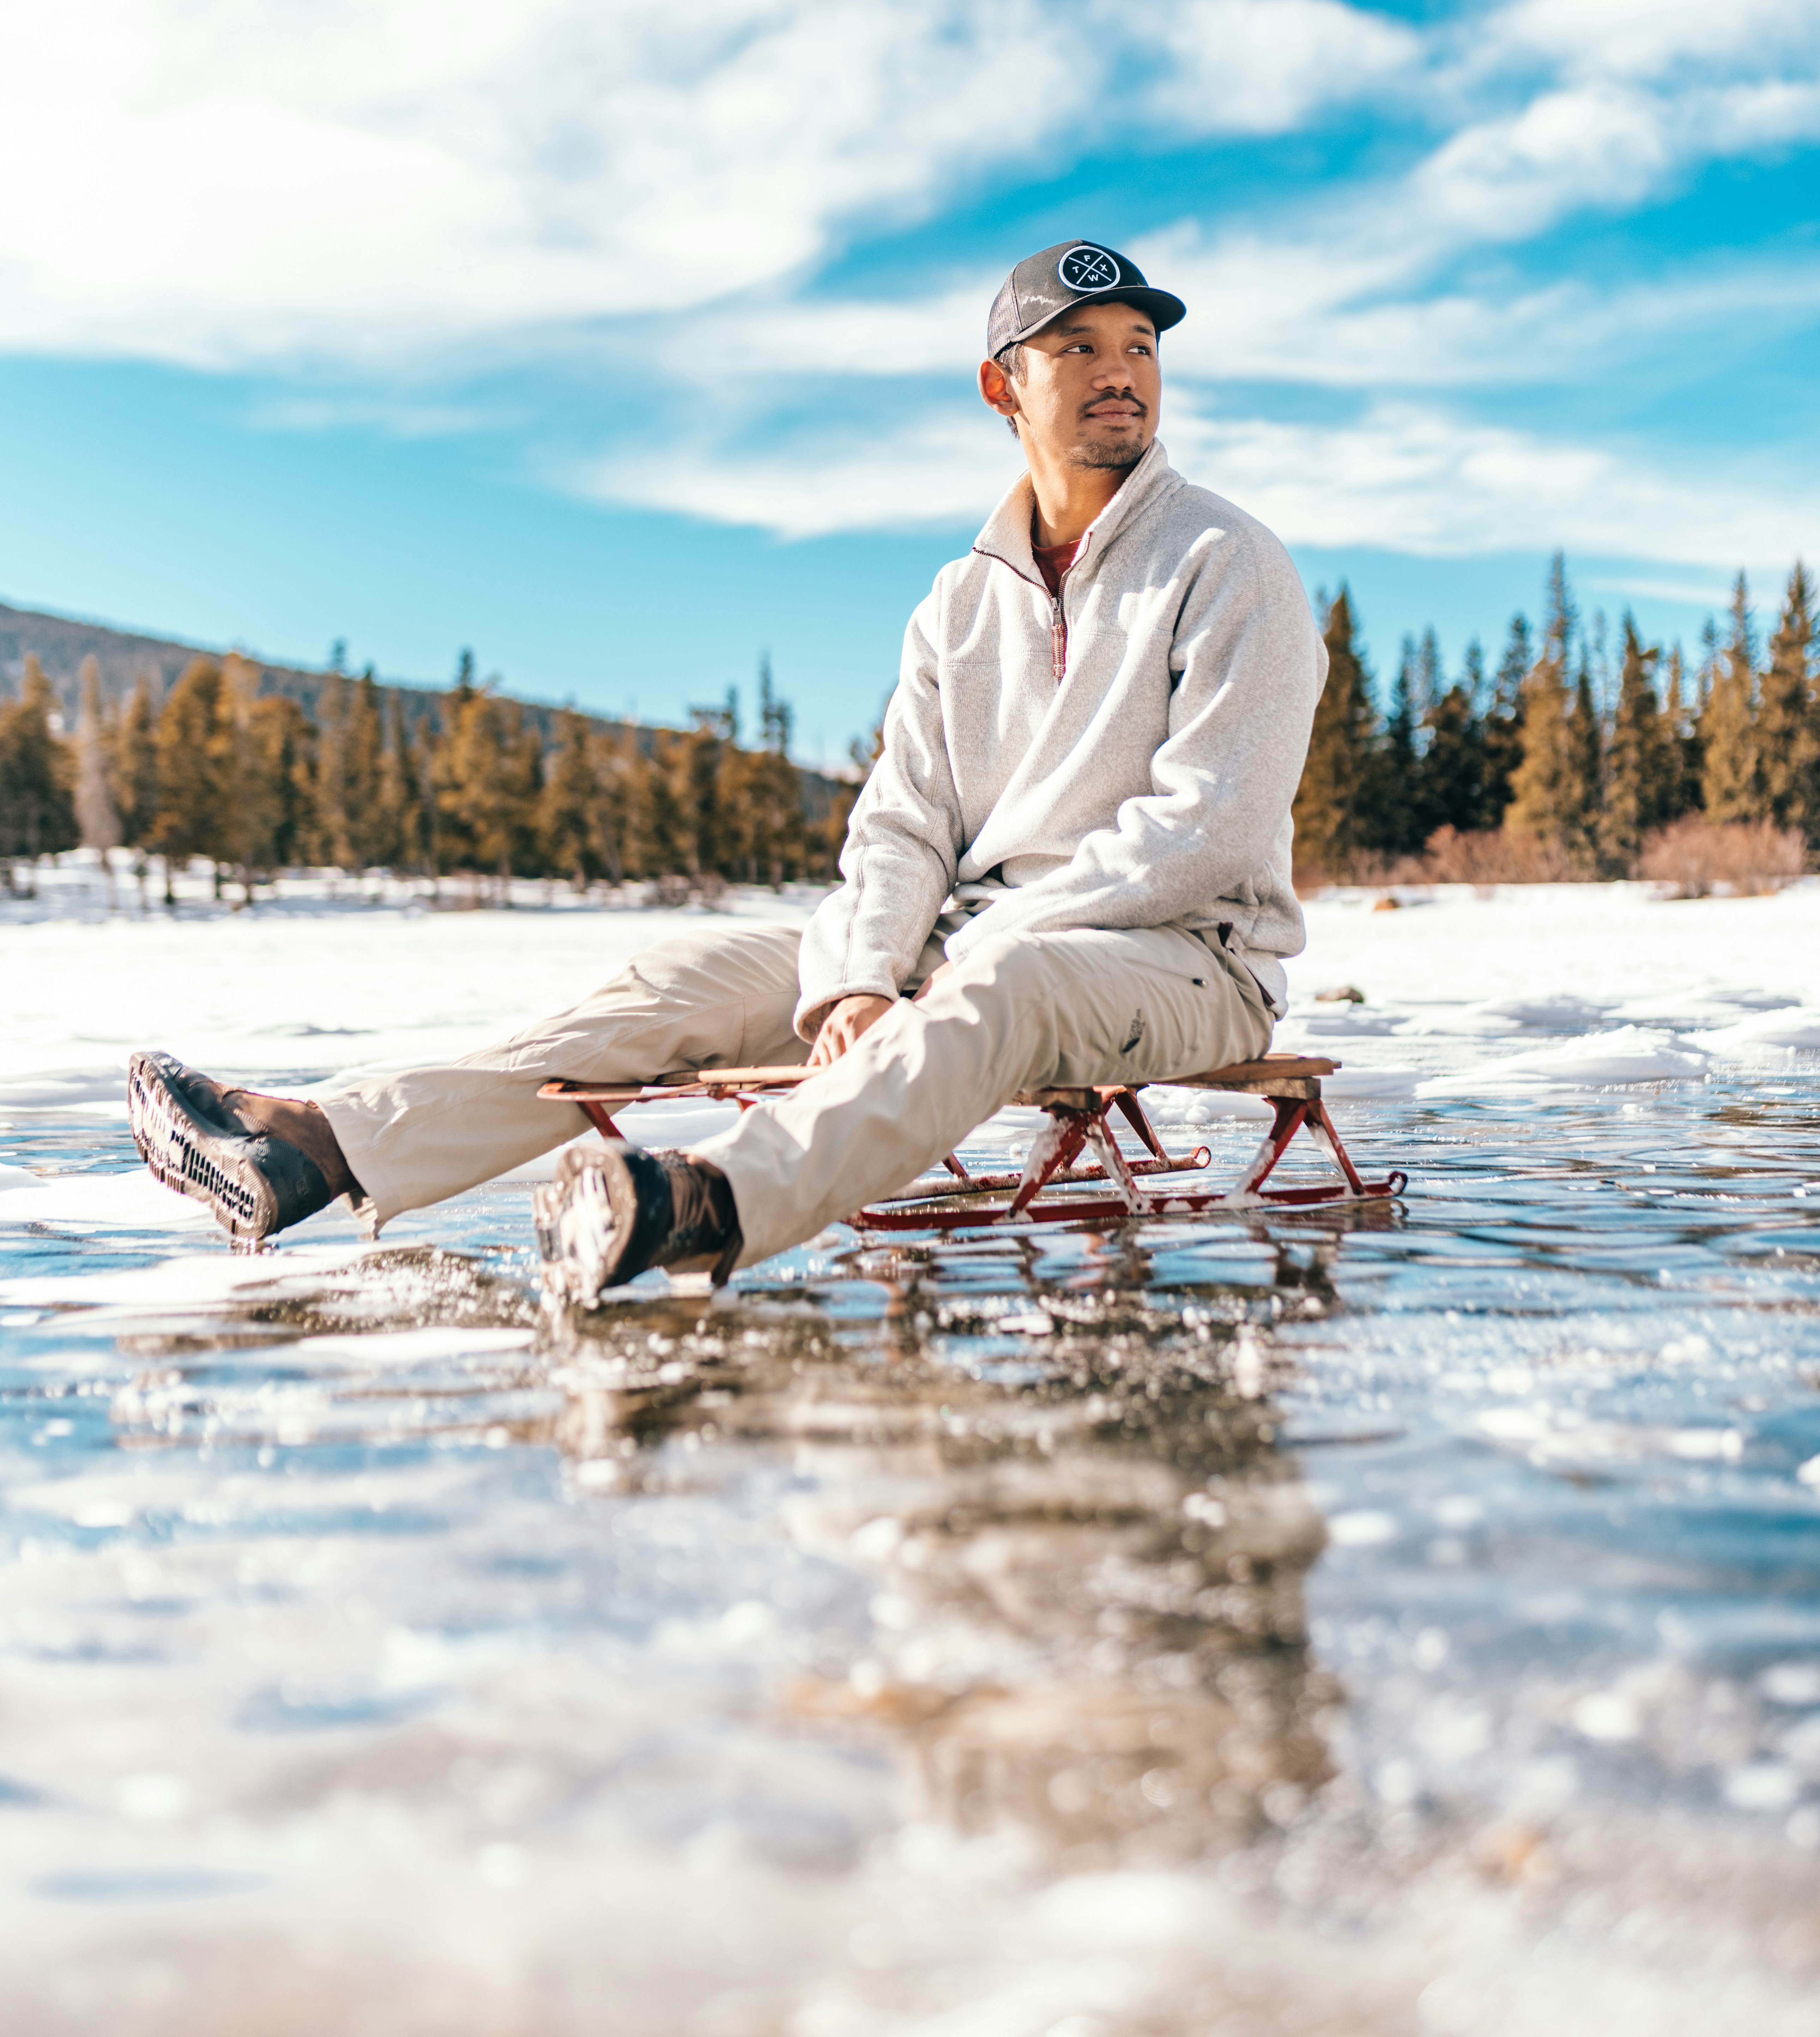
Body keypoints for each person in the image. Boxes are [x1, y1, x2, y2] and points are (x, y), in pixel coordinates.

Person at [127, 238, 1326, 1296]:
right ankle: (322, 1146)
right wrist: (864, 975)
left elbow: (1204, 831)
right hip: (979, 941)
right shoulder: (962, 604)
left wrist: (964, 952)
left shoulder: (1228, 562)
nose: (1121, 372)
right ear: (1002, 385)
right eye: (1077, 348)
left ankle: (703, 1203)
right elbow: (903, 825)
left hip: (1184, 958)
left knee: (994, 989)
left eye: (1138, 347)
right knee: (698, 972)